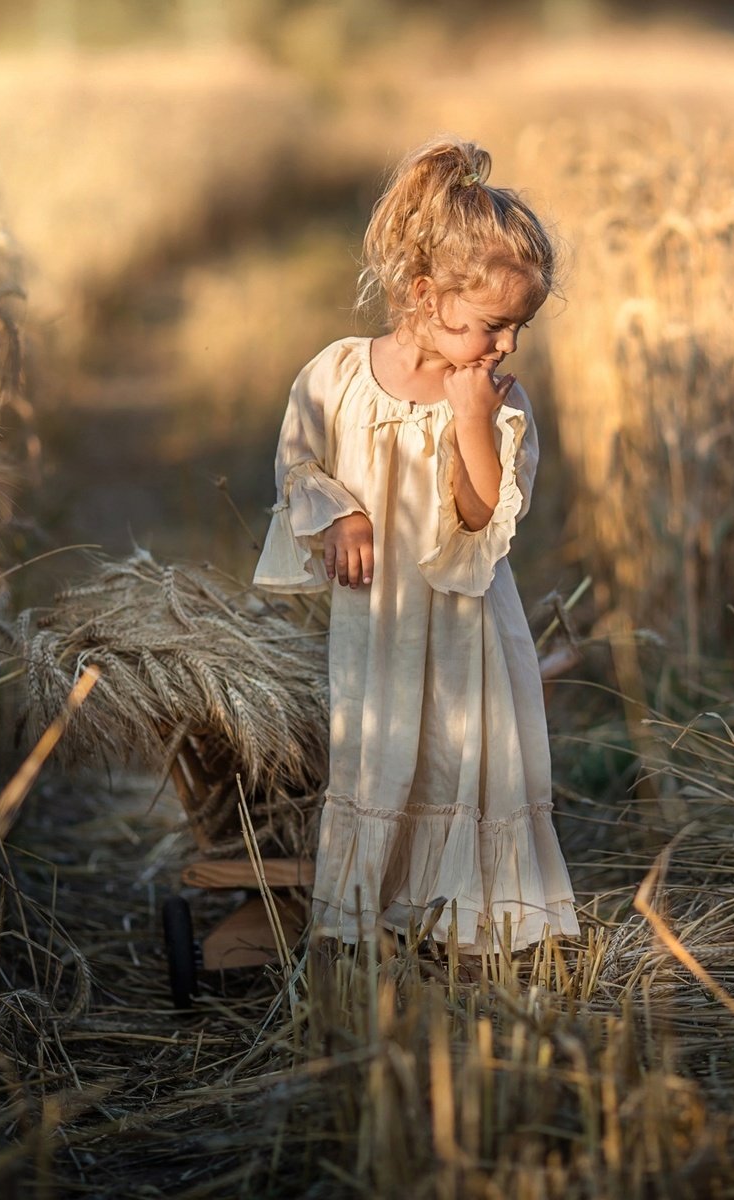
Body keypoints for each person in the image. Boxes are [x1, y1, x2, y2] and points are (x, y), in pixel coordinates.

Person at [253, 136, 580, 954]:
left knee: (463, 756)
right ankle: (374, 917)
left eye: (519, 329)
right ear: (426, 295)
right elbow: (298, 465)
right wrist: (339, 514)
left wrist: (471, 421)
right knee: (383, 749)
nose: (505, 346)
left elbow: (479, 515)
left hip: (467, 626)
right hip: (377, 623)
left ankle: (473, 928)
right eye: (490, 325)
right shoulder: (335, 376)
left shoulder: (501, 406)